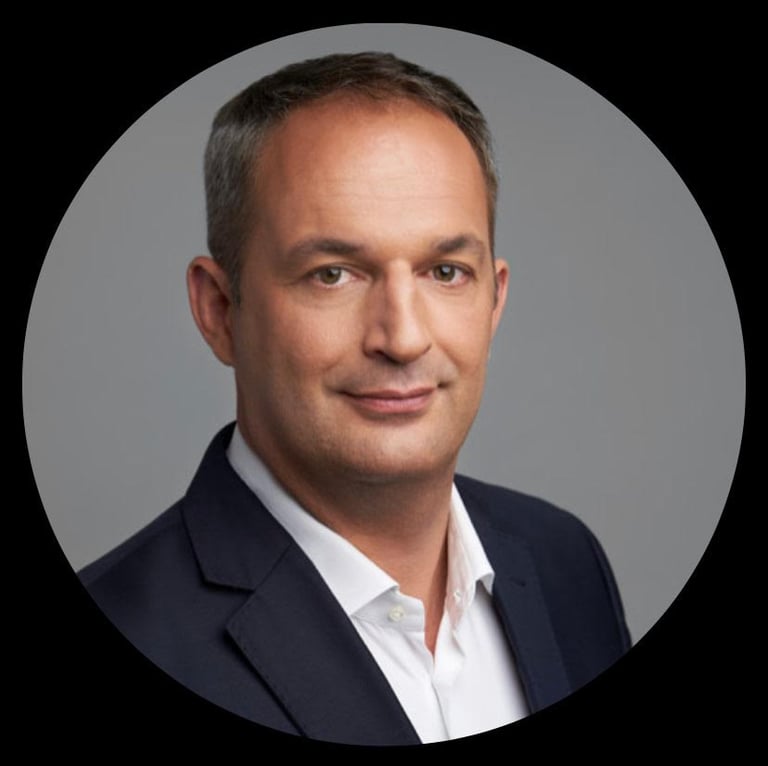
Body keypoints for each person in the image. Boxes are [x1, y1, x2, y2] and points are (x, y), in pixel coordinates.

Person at [79, 52, 631, 745]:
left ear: (494, 302)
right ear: (219, 310)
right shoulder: (131, 626)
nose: (402, 338)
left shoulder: (564, 563)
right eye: (333, 274)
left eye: (445, 272)